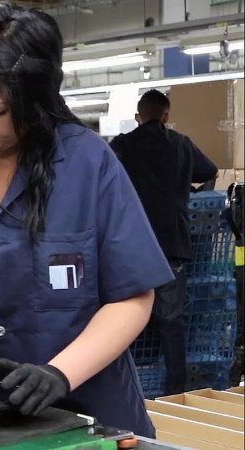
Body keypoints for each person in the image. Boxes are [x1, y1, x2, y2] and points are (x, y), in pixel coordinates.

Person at [0, 2, 173, 437]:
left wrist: (60, 373)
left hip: (89, 413)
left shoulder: (87, 164)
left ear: (36, 101)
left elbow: (133, 297)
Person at [110, 89, 217, 395]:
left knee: (126, 320)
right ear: (166, 116)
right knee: (171, 321)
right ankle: (176, 391)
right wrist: (189, 189)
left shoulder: (122, 145)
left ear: (137, 117)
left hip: (132, 248)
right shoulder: (181, 144)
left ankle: (127, 386)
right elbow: (208, 171)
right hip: (172, 245)